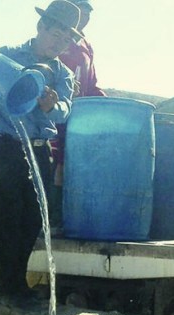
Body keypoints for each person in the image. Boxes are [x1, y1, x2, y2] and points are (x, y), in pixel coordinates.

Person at [0, 0, 79, 302]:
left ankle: (15, 281)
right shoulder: (7, 56)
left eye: (66, 40)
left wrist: (52, 106)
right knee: (7, 215)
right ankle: (10, 285)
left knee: (33, 218)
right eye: (56, 35)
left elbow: (66, 110)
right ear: (41, 27)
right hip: (6, 146)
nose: (60, 44)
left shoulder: (63, 73)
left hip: (40, 150)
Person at [49, 0, 106, 228]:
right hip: (54, 116)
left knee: (75, 166)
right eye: (82, 10)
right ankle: (51, 222)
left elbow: (91, 83)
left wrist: (107, 104)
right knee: (56, 166)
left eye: (89, 12)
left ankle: (69, 219)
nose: (87, 16)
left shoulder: (85, 45)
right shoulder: (58, 41)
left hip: (78, 120)